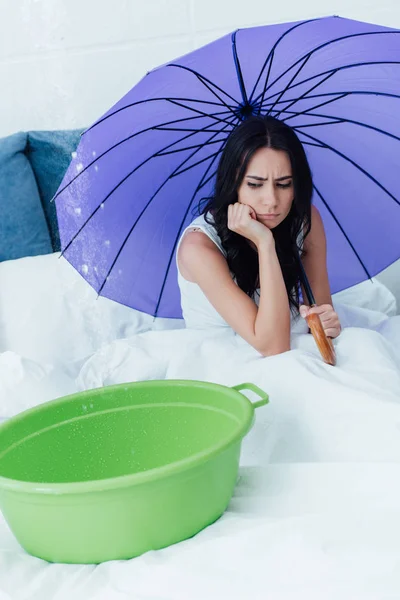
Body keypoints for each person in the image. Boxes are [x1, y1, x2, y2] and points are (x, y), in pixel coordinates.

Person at [176, 115, 341, 357]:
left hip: (291, 344)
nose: (271, 201)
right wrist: (264, 243)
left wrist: (327, 324)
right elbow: (274, 346)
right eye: (255, 185)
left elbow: (319, 310)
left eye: (284, 184)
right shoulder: (199, 248)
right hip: (222, 360)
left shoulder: (305, 220)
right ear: (234, 184)